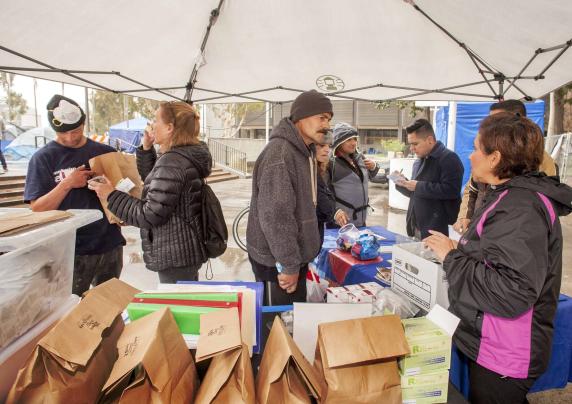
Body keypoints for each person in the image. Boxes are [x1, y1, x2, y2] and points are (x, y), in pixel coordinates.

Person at [424, 112, 572, 404]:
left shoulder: (521, 207)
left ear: (495, 158)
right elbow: (497, 253)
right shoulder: (506, 195)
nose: (470, 156)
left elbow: (511, 290)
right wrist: (464, 248)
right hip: (492, 341)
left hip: (506, 350)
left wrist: (452, 257)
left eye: (477, 148)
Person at [90, 101, 211, 283]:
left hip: (175, 252)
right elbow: (159, 184)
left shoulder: (173, 161)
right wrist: (146, 149)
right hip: (184, 247)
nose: (152, 125)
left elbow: (149, 214)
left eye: (156, 120)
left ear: (170, 127)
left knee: (176, 307)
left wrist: (111, 195)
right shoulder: (182, 156)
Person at [24, 95, 125, 295]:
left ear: (83, 124)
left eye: (76, 131)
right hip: (70, 251)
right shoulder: (43, 159)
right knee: (72, 313)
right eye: (64, 134)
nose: (71, 138)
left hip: (109, 244)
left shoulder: (104, 152)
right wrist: (68, 184)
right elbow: (37, 208)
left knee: (111, 306)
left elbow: (125, 191)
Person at [247, 89, 333, 305]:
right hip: (277, 264)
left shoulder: (303, 151)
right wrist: (289, 265)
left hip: (292, 259)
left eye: (329, 119)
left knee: (290, 324)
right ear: (301, 117)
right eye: (322, 117)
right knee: (277, 329)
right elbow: (277, 217)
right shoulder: (281, 154)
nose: (327, 125)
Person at [453, 99, 557, 233]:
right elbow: (471, 188)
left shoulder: (538, 161)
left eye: (497, 121)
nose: (490, 127)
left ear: (518, 122)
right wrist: (465, 217)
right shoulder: (487, 157)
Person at [394, 118, 464, 239]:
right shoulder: (419, 161)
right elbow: (415, 193)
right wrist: (403, 183)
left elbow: (452, 191)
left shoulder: (449, 158)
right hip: (415, 226)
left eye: (415, 144)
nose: (411, 149)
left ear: (430, 140)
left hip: (437, 230)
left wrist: (417, 186)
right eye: (410, 144)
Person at [329, 122, 379, 227]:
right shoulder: (331, 163)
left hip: (361, 220)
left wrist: (374, 166)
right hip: (341, 223)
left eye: (355, 139)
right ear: (339, 142)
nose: (353, 143)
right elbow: (324, 193)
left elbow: (368, 177)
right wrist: (335, 211)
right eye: (348, 140)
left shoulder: (359, 157)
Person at [315, 132, 345, 244]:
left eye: (329, 146)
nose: (327, 150)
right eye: (322, 145)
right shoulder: (305, 169)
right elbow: (318, 195)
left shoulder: (321, 167)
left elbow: (324, 194)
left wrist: (335, 211)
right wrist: (334, 212)